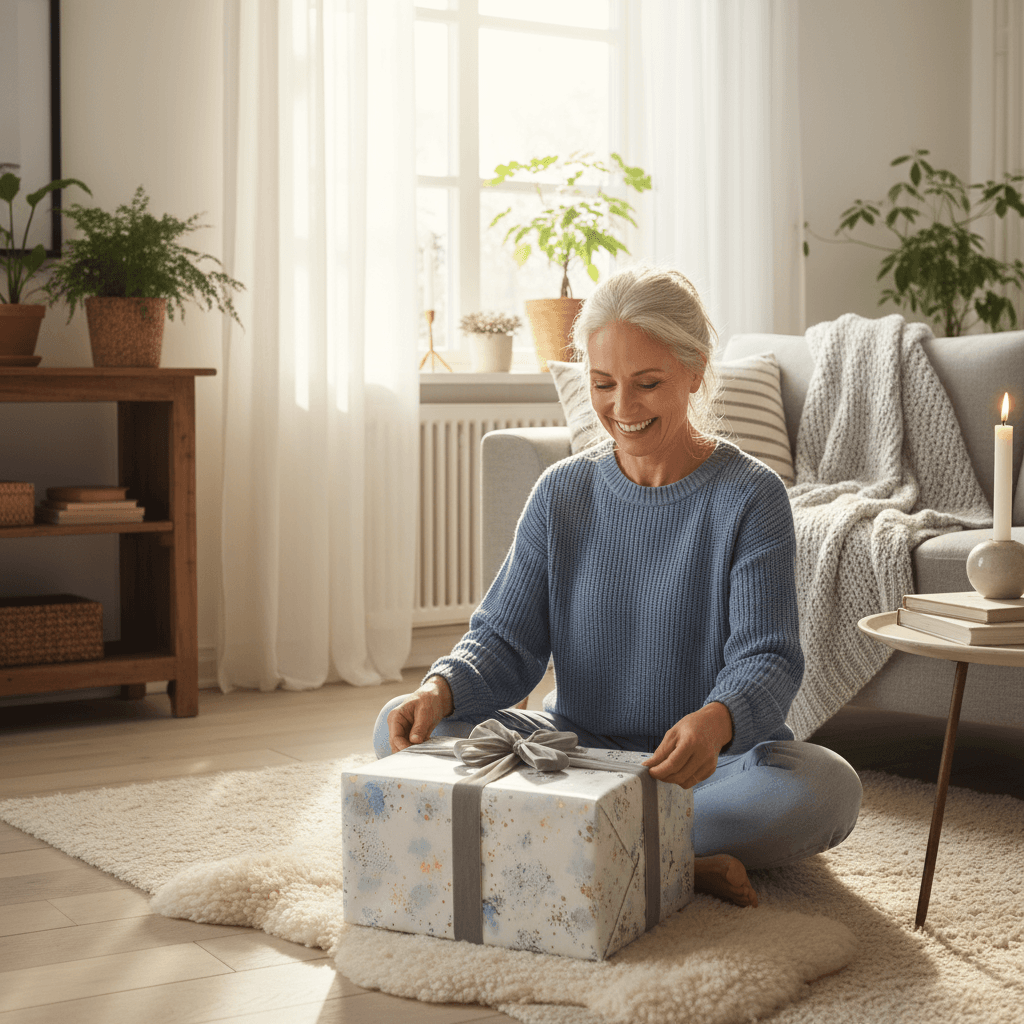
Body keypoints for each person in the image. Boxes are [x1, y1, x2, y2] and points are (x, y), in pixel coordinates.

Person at [374, 264, 862, 908]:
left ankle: (570, 845)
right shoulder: (562, 492)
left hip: (698, 774)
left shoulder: (750, 496)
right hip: (572, 760)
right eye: (603, 384)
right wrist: (442, 687)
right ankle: (672, 860)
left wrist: (717, 722)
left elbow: (766, 658)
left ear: (694, 370)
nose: (622, 410)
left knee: (822, 788)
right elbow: (503, 640)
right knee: (397, 727)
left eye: (648, 383)